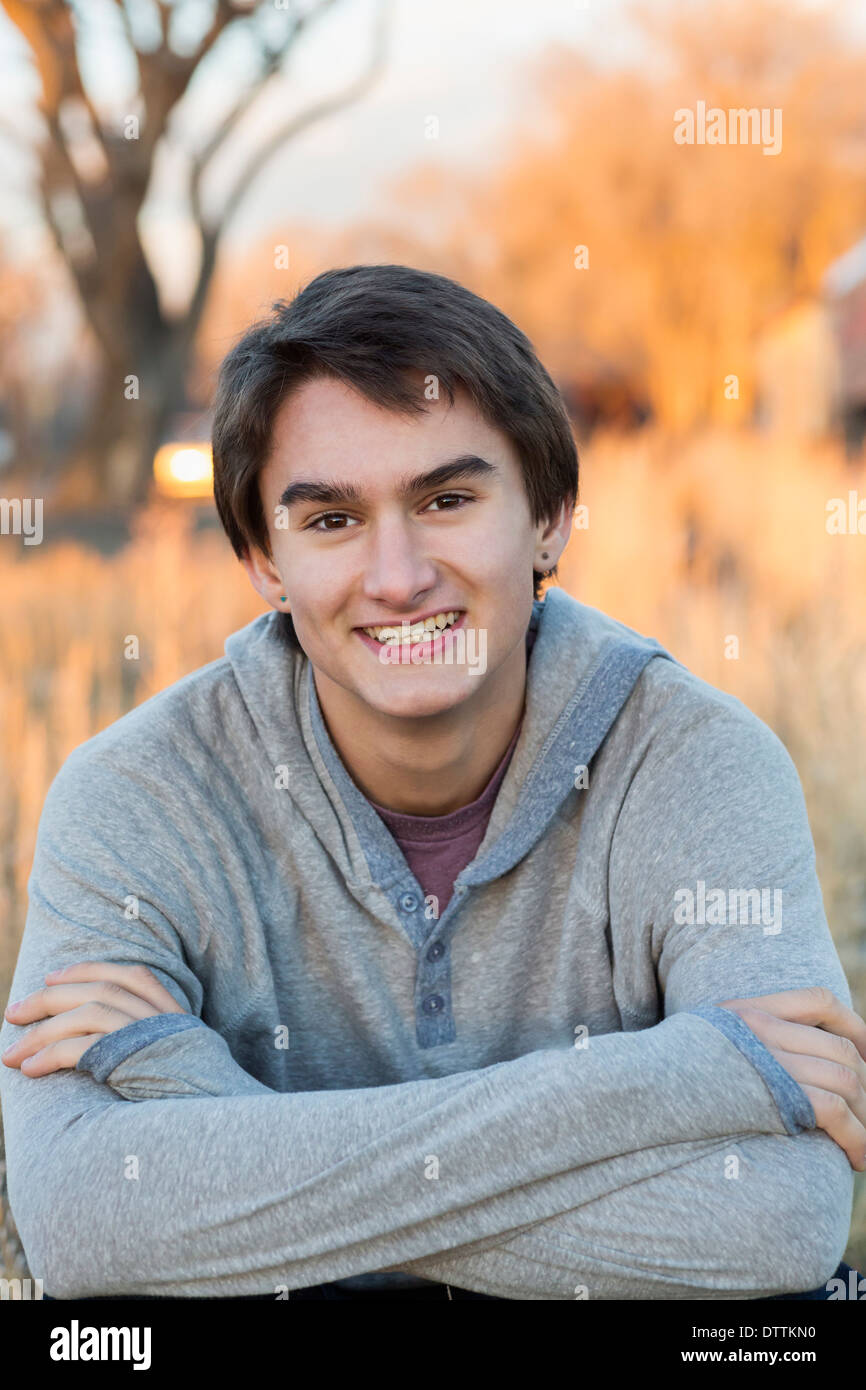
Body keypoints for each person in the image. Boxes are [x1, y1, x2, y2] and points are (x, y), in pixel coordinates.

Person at [2, 264, 865, 1302]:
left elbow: (776, 1222)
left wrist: (206, 1103)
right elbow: (85, 1222)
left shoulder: (697, 764)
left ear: (547, 518)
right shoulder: (135, 796)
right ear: (261, 560)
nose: (398, 575)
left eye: (446, 498)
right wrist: (683, 1076)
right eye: (330, 521)